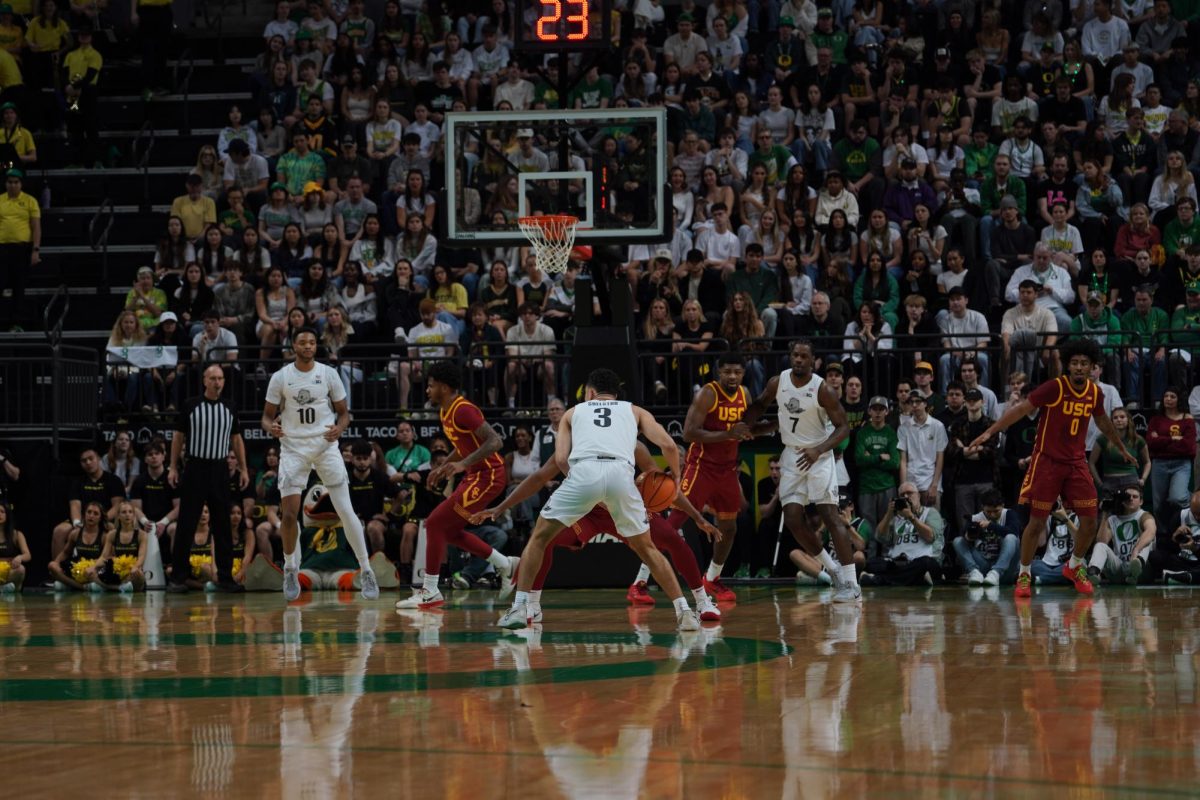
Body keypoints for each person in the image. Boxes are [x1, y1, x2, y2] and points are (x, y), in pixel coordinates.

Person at [494, 367, 702, 630]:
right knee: (647, 549)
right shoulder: (634, 410)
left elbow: (560, 460)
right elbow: (670, 446)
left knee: (539, 538)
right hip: (621, 475)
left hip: (584, 472)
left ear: (590, 392)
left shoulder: (572, 412)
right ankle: (684, 613)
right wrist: (675, 474)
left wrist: (580, 482)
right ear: (616, 393)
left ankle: (520, 608)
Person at [473, 441, 723, 624]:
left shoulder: (632, 445)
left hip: (622, 510)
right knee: (542, 540)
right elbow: (539, 477)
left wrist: (698, 517)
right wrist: (502, 506)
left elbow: (663, 485)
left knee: (671, 538)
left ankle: (701, 602)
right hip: (586, 513)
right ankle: (533, 605)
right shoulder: (573, 447)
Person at [970, 338, 1137, 598]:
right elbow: (1021, 409)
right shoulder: (1055, 388)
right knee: (1036, 523)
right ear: (1068, 365)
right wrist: (990, 431)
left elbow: (1103, 421)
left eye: (1085, 363)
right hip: (1047, 462)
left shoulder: (1095, 393)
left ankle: (1074, 566)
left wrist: (1121, 446)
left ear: (1093, 366)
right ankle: (1024, 574)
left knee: (1090, 521)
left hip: (1076, 463)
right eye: (1075, 363)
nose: (1080, 368)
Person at [627, 353, 770, 604]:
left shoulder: (745, 395)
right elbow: (689, 433)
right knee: (672, 525)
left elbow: (742, 432)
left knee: (729, 527)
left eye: (737, 371)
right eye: (727, 371)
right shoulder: (708, 393)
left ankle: (712, 578)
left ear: (743, 373)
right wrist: (728, 433)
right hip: (700, 468)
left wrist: (771, 427)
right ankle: (639, 583)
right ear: (719, 372)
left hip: (727, 469)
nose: (733, 376)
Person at [261, 327, 378, 602]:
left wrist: (340, 428)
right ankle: (291, 567)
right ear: (293, 346)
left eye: (312, 342)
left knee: (346, 511)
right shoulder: (281, 377)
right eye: (302, 342)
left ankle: (366, 569)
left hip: (325, 445)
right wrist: (272, 428)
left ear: (316, 346)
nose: (308, 346)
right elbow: (266, 417)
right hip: (293, 447)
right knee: (289, 514)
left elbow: (344, 414)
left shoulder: (328, 373)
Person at [741, 339, 861, 602]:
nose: (798, 360)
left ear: (812, 360)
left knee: (829, 515)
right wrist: (747, 424)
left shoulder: (823, 389)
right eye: (794, 355)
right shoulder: (777, 382)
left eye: (803, 356)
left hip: (818, 455)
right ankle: (833, 572)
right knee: (793, 518)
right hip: (792, 455)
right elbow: (763, 405)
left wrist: (819, 450)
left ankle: (852, 583)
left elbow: (843, 428)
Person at [396, 361, 515, 610]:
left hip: (490, 475)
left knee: (434, 523)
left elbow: (496, 442)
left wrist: (462, 465)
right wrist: (441, 467)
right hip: (474, 475)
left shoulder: (463, 410)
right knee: (447, 532)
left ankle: (430, 590)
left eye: (431, 386)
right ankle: (504, 563)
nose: (427, 390)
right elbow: (461, 446)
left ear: (444, 386)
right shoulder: (444, 410)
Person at [166, 365, 251, 594]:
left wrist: (243, 468)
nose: (217, 382)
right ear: (205, 380)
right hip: (195, 467)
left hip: (219, 468)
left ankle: (225, 577)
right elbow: (178, 437)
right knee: (186, 522)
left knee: (223, 523)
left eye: (220, 378)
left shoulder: (230, 407)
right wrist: (173, 466)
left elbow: (236, 439)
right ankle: (178, 577)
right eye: (213, 378)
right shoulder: (191, 405)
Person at [861, 482, 945, 586]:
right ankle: (919, 579)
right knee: (872, 563)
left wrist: (911, 517)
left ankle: (880, 580)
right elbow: (880, 537)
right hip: (898, 563)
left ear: (918, 496)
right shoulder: (896, 518)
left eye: (909, 493)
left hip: (922, 560)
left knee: (926, 564)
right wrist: (889, 514)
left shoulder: (930, 513)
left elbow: (930, 537)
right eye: (902, 495)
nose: (906, 496)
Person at [1089, 484, 1157, 584]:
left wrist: (1136, 550)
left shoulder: (1144, 515)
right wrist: (1105, 513)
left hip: (1142, 570)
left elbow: (1151, 531)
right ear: (1122, 500)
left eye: (1135, 497)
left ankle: (1135, 571)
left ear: (1141, 502)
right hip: (1120, 568)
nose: (1131, 499)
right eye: (1128, 496)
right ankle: (1093, 573)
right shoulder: (1112, 519)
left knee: (1147, 540)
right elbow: (1101, 542)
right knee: (1100, 546)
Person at [953, 488, 1021, 586]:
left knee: (1011, 537)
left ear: (1002, 505)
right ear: (982, 507)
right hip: (983, 564)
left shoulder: (1009, 514)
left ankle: (996, 572)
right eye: (988, 512)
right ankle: (974, 572)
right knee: (958, 541)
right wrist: (968, 536)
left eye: (996, 511)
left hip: (1006, 568)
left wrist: (990, 526)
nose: (992, 515)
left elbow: (1014, 532)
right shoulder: (976, 518)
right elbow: (965, 535)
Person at [0, 168, 40, 332]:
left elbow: (36, 227)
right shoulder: (0, 200)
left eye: (16, 182)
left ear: (21, 184)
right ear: (5, 184)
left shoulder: (30, 201)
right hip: (2, 248)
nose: (13, 185)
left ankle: (16, 323)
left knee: (19, 287)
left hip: (21, 249)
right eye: (10, 182)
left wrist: (35, 250)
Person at [0, 501, 29, 593]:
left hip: (9, 571)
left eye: (2, 512)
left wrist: (19, 557)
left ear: (7, 515)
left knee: (20, 569)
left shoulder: (16, 534)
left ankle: (9, 589)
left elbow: (27, 555)